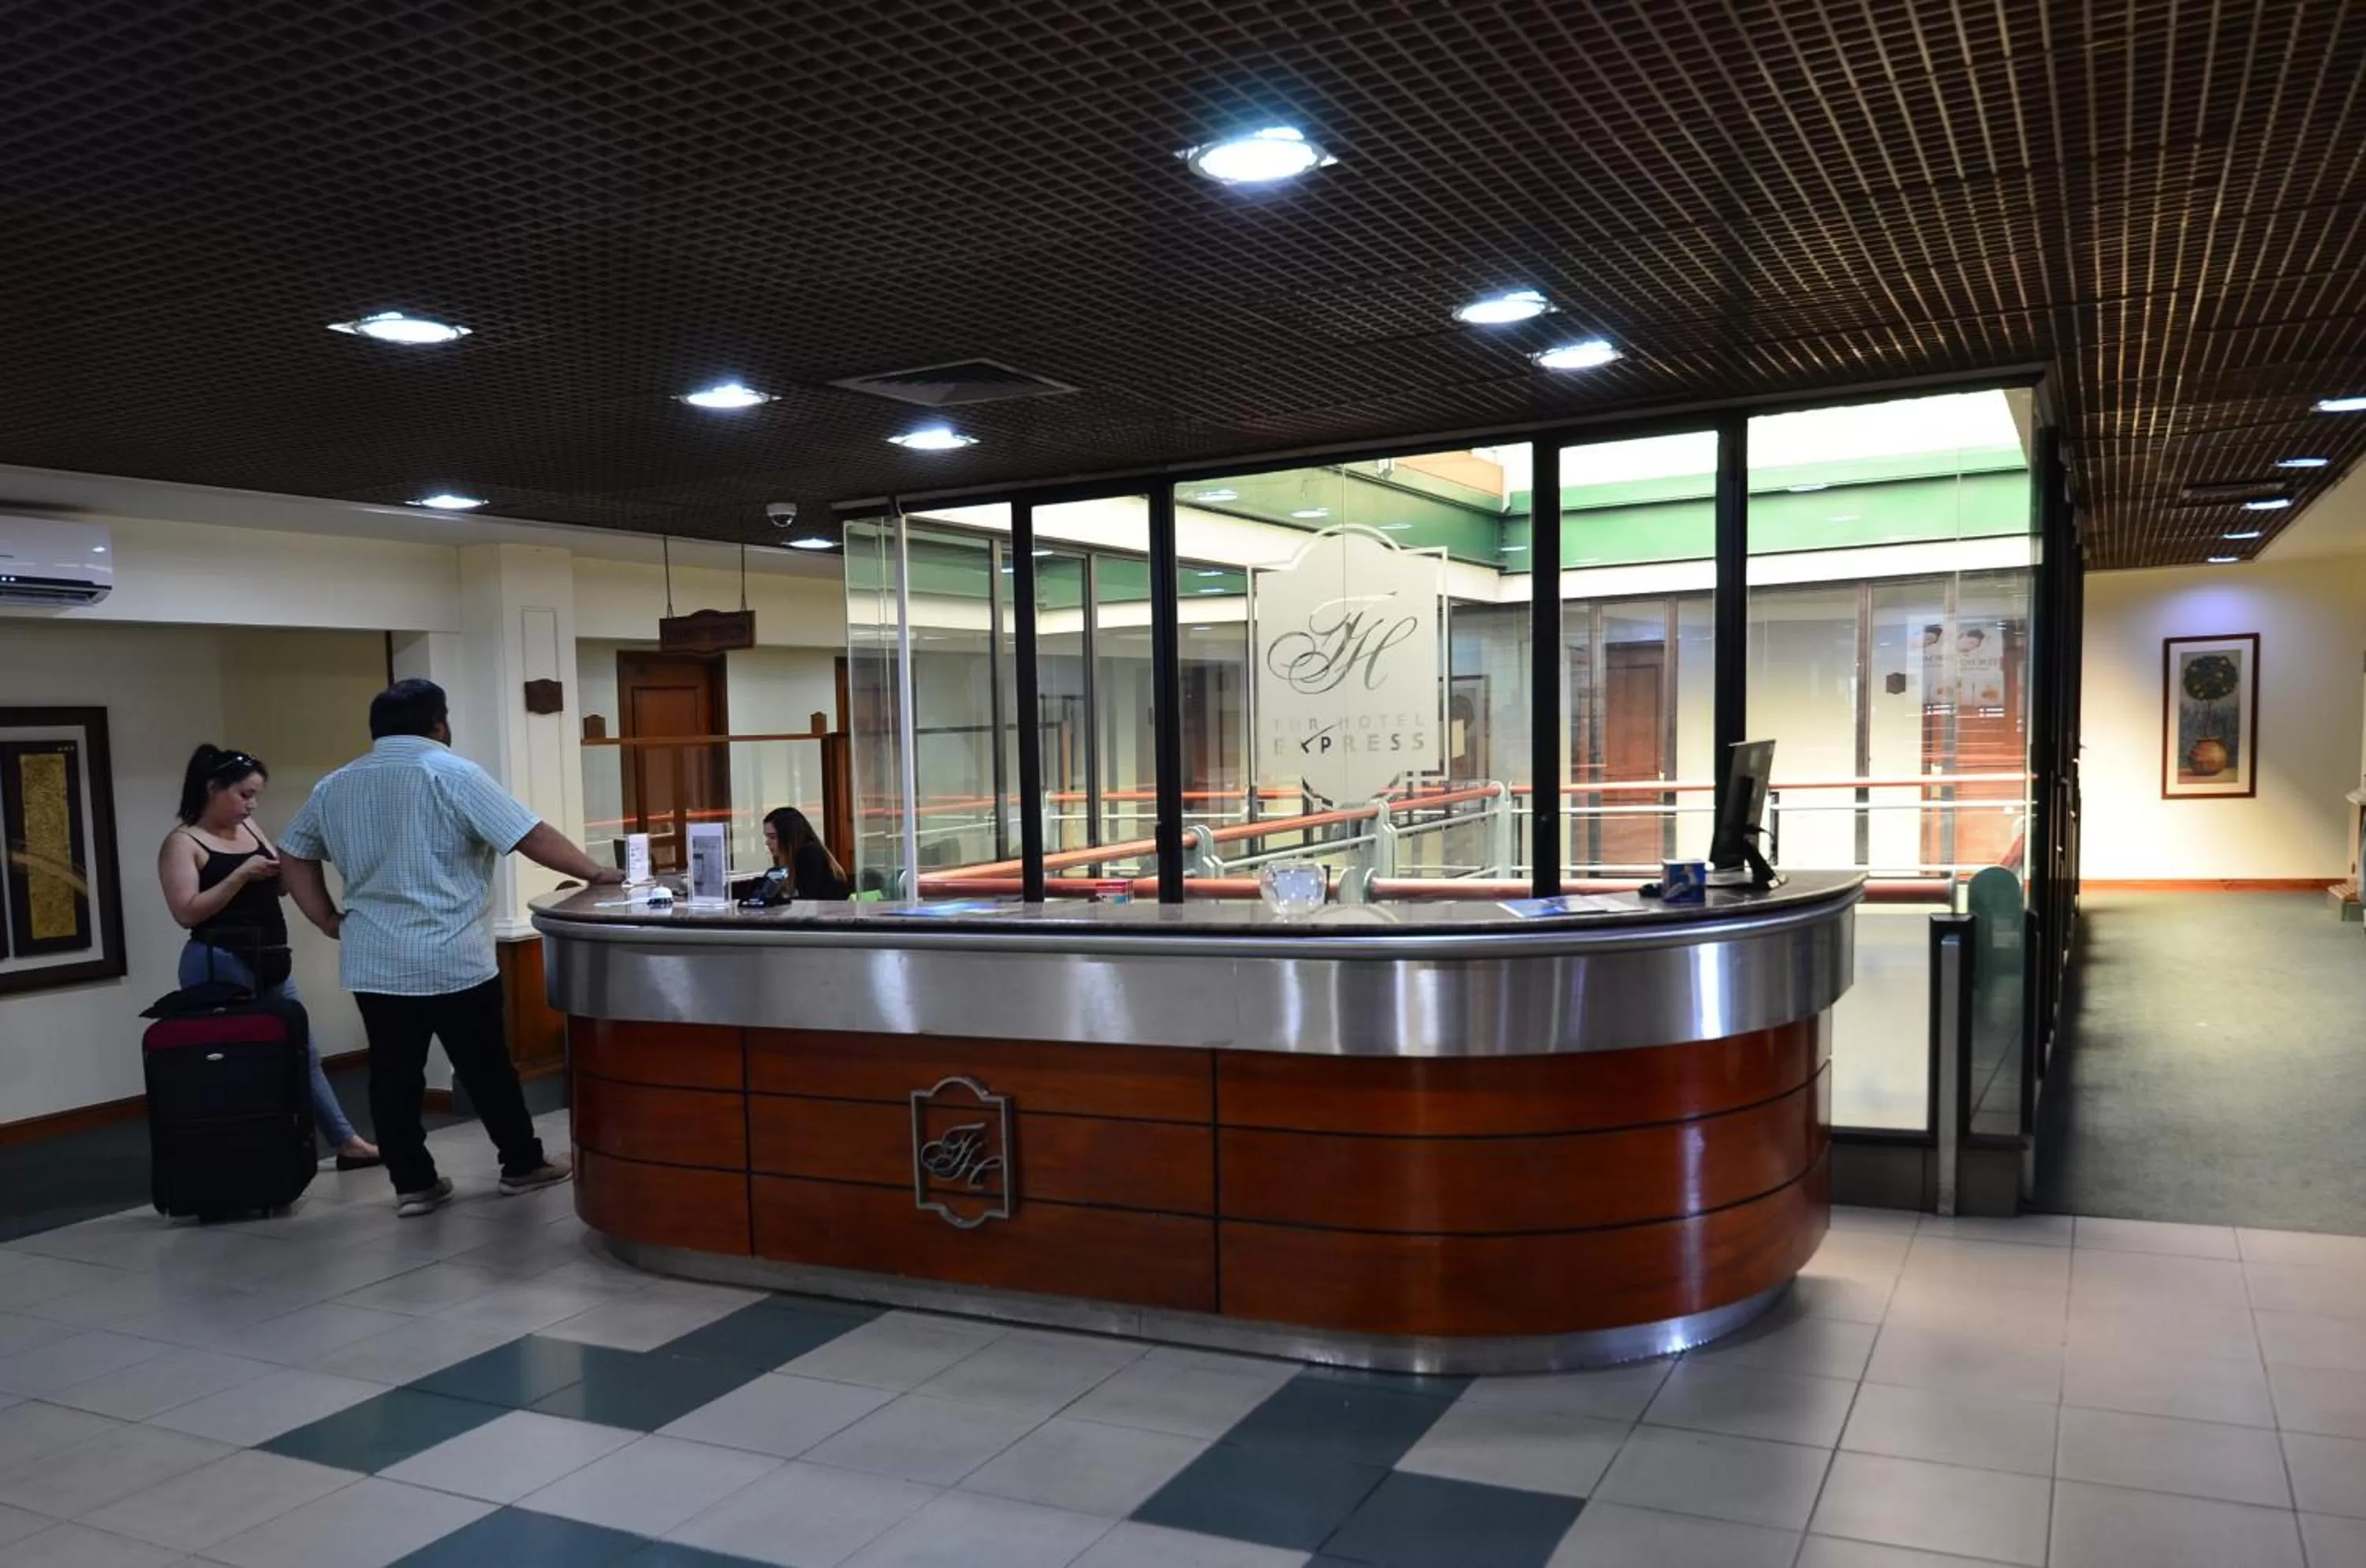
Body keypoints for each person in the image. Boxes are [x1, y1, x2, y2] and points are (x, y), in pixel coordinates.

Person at [278, 679, 623, 1217]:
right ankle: (522, 1164)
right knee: (487, 1068)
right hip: (452, 956)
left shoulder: (335, 786)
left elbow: (293, 852)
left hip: (374, 961)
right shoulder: (453, 773)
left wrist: (324, 917)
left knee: (393, 1076)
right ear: (438, 724)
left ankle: (413, 1185)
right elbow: (529, 834)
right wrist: (596, 872)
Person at [158, 747, 383, 1170]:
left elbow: (277, 889)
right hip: (220, 960)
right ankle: (245, 1154)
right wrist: (241, 875)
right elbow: (186, 911)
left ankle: (345, 1141)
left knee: (302, 1051)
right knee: (239, 1060)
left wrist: (281, 874)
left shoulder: (249, 828)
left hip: (272, 957)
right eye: (244, 795)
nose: (252, 805)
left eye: (256, 795)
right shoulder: (183, 842)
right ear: (213, 789)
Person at [763, 805, 851, 901]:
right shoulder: (798, 857)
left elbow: (808, 900)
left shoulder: (809, 854)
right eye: (767, 837)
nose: (767, 842)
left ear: (789, 837)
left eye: (773, 837)